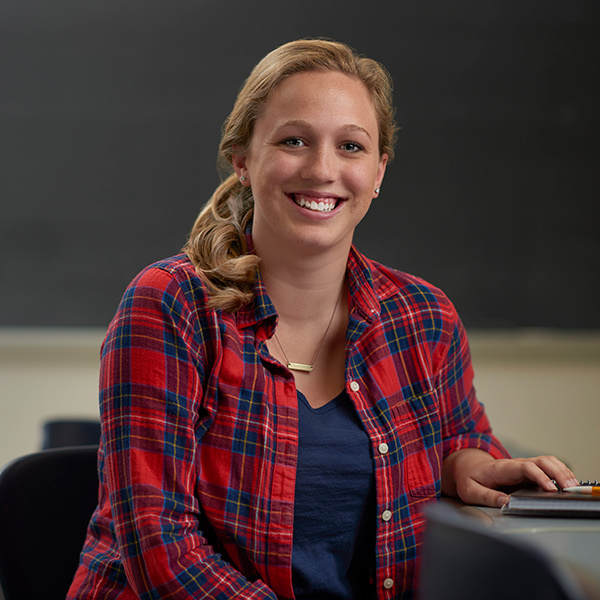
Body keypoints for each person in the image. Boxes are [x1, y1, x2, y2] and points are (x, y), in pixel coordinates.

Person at [68, 38, 579, 600]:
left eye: (351, 147)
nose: (322, 169)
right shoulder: (171, 304)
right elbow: (160, 547)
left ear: (379, 171)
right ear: (243, 159)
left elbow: (461, 439)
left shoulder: (424, 317)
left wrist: (467, 464)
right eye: (293, 140)